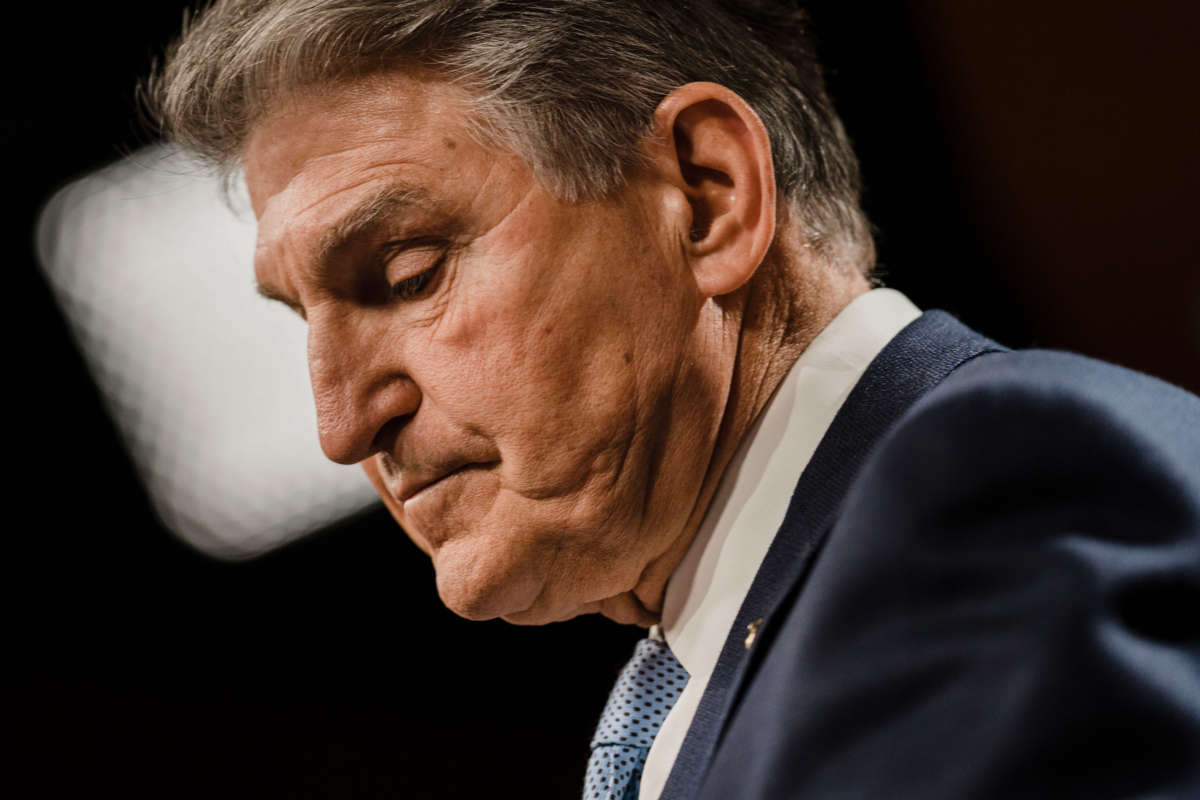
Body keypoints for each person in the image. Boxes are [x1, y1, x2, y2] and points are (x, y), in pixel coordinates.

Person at [149, 1, 1200, 797]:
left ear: (704, 197)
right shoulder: (761, 636)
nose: (341, 425)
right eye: (303, 320)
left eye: (411, 271)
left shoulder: (995, 490)